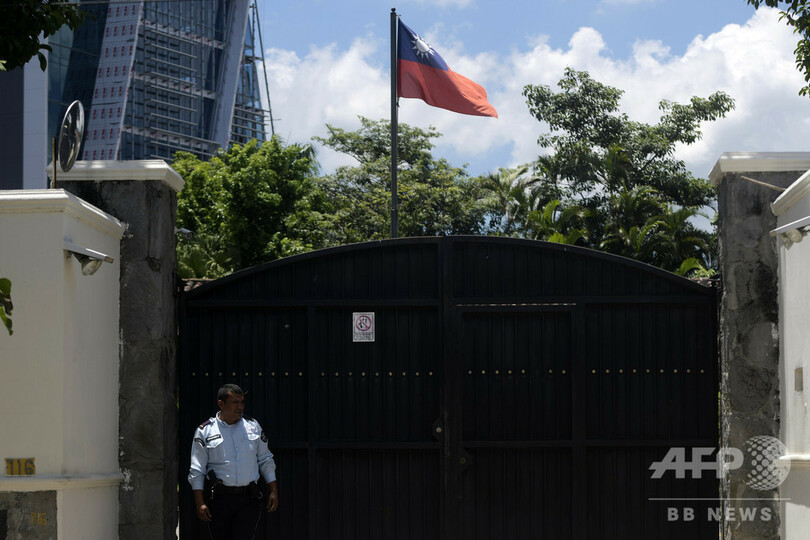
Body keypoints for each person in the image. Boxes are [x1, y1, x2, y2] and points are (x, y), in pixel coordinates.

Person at [188, 383, 279, 539]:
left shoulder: (253, 426)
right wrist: (200, 502)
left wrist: (273, 490)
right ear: (221, 404)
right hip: (220, 499)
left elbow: (265, 459)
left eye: (242, 402)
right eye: (235, 402)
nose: (240, 407)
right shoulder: (205, 431)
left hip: (248, 499)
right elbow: (197, 469)